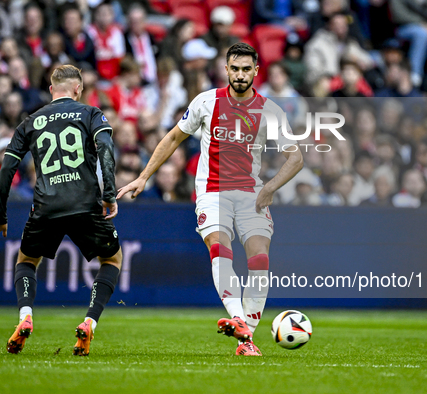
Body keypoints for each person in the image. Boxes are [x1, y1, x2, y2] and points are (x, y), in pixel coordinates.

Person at [117, 43, 303, 356]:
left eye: (246, 69)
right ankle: (240, 323)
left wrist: (270, 188)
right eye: (235, 69)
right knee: (220, 249)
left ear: (257, 71)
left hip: (251, 194)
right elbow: (174, 137)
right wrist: (144, 175)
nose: (241, 75)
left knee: (259, 260)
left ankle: (247, 339)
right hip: (212, 191)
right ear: (226, 70)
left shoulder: (270, 110)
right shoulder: (206, 101)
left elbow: (295, 158)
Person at [0, 65, 123, 356]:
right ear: (78, 88)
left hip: (46, 205)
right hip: (85, 204)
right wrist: (109, 194)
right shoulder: (90, 113)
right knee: (111, 260)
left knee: (26, 261)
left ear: (51, 90)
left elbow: (7, 169)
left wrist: (0, 217)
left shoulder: (31, 121)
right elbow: (106, 150)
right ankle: (88, 323)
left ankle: (26, 316)